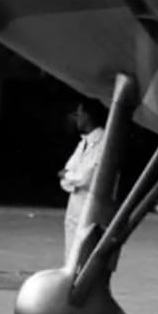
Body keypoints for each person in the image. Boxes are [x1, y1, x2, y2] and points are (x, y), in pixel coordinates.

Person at [59, 98, 107, 265]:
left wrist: (69, 177)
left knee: (84, 252)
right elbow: (67, 171)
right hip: (75, 202)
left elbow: (86, 176)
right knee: (71, 253)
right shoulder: (84, 143)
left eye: (79, 114)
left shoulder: (103, 142)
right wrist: (70, 177)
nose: (77, 119)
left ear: (88, 116)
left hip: (89, 203)